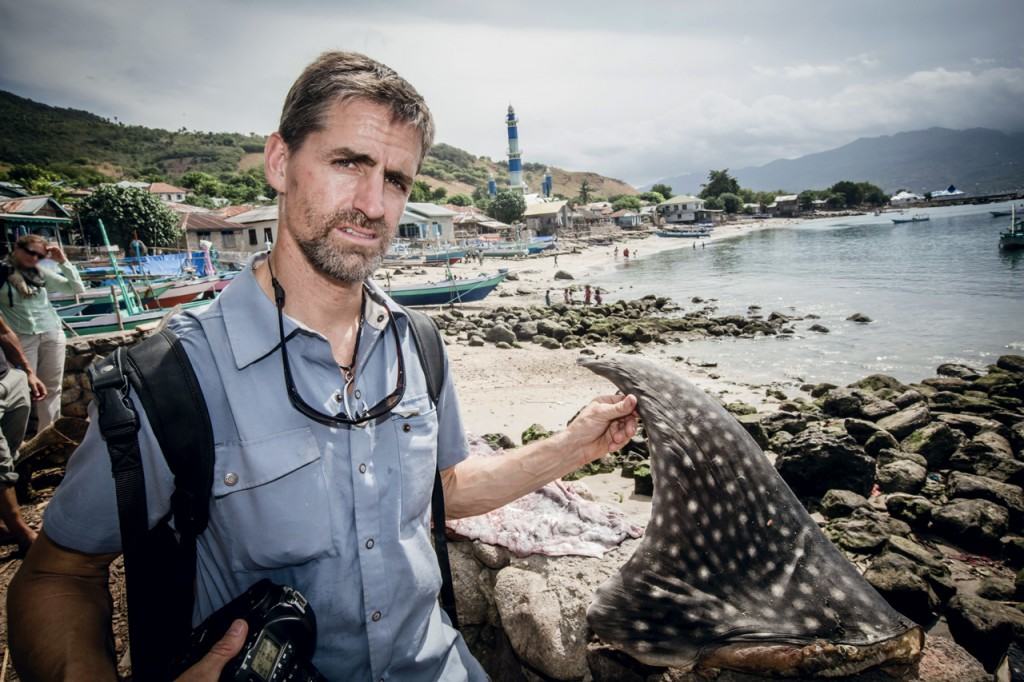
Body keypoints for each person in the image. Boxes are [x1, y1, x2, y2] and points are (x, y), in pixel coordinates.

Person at [8, 51, 637, 682]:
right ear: (280, 162)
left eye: (396, 180)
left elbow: (441, 493)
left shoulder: (418, 345)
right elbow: (59, 575)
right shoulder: (170, 377)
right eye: (348, 163)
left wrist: (574, 446)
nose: (373, 204)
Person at [0, 235, 86, 431]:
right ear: (17, 247)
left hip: (51, 332)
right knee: (23, 388)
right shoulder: (2, 272)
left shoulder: (40, 273)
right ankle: (15, 440)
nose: (34, 258)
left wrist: (63, 261)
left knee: (52, 388)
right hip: (21, 337)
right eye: (30, 252)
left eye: (40, 255)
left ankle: (49, 434)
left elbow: (76, 288)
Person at [0, 315, 47, 551]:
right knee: (0, 461)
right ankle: (22, 532)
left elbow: (4, 331)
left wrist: (26, 372)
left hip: (8, 379)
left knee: (10, 451)